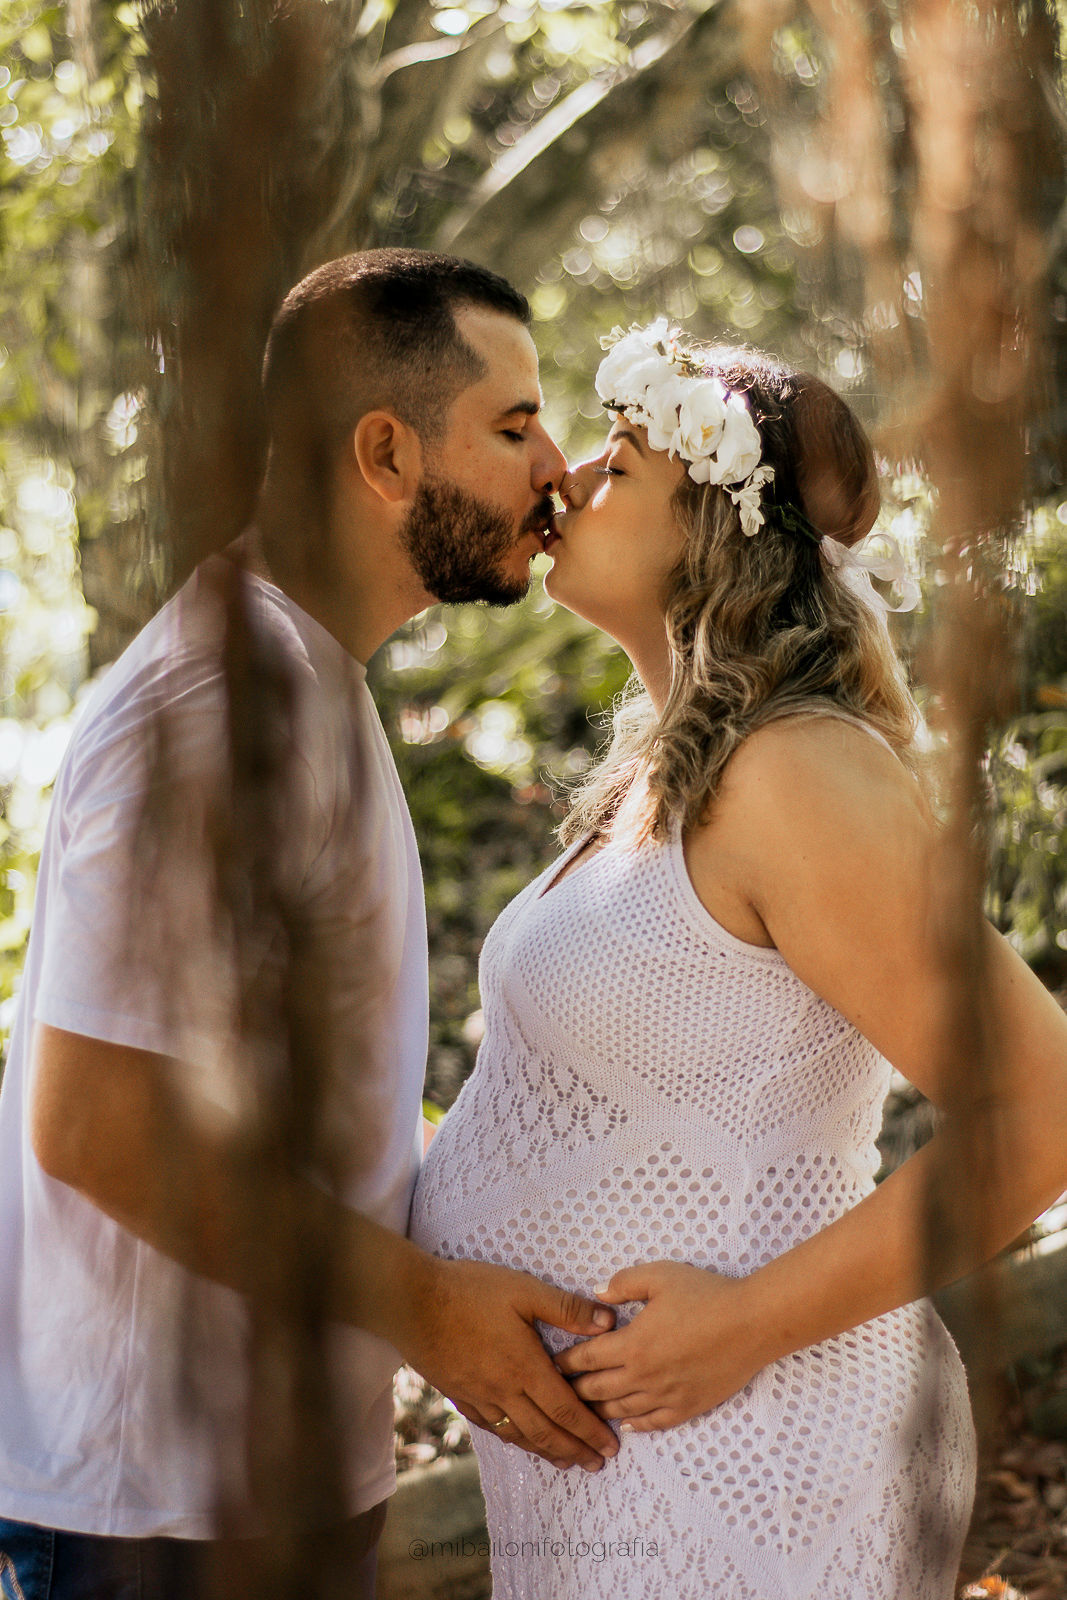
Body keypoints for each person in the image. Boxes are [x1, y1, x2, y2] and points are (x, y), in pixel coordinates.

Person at [410, 320, 1067, 1599]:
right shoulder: (667, 774)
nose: (568, 477)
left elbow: (1037, 1108)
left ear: (713, 528)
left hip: (753, 1456)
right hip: (638, 1467)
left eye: (618, 463)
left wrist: (740, 1327)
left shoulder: (794, 771)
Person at [0, 249, 620, 1600]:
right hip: (157, 1512)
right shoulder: (222, 713)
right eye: (514, 426)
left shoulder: (300, 679)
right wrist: (428, 1311)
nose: (555, 468)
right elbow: (97, 1121)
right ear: (385, 454)